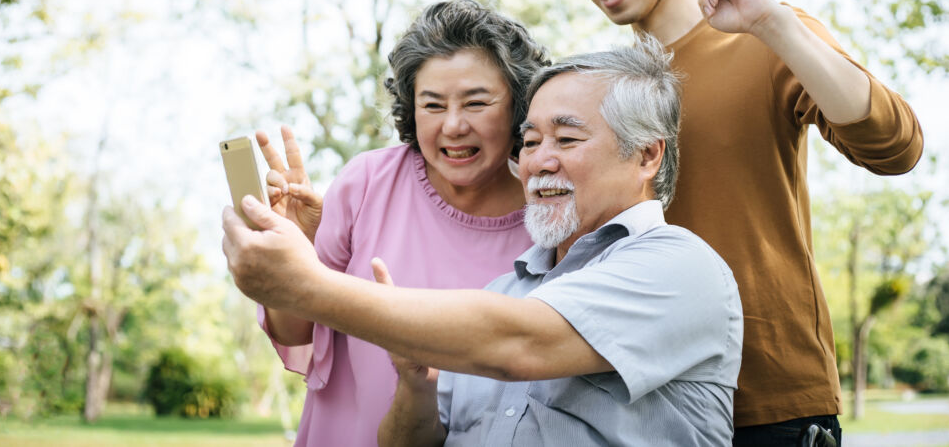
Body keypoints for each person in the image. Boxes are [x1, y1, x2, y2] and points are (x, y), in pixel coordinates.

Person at [542, 0, 924, 445]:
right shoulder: (601, 91)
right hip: (645, 403)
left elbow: (895, 147)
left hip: (770, 400)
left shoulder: (765, 36)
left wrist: (773, 24)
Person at [222, 40, 744, 447]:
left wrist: (306, 285)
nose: (540, 160)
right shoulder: (505, 290)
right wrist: (414, 386)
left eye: (566, 139)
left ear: (647, 156)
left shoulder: (682, 267)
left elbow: (517, 345)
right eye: (533, 140)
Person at [252, 0, 548, 446]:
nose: (452, 125)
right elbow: (295, 329)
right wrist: (294, 252)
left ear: (518, 107)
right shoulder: (368, 182)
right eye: (432, 105)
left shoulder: (549, 219)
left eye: (476, 103)